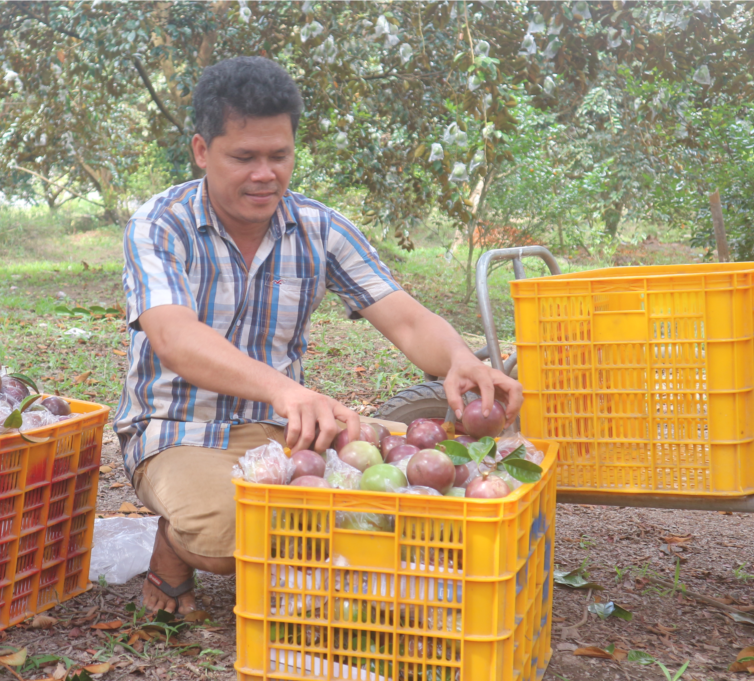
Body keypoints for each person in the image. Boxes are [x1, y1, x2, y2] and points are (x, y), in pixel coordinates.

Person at [114, 56, 522, 614]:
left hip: (288, 430)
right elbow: (175, 338)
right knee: (234, 533)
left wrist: (456, 358)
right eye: (244, 157)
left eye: (279, 156)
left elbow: (404, 317)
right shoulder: (161, 223)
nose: (265, 174)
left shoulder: (318, 227)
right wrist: (283, 389)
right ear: (202, 151)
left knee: (454, 467)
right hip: (178, 430)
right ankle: (176, 549)